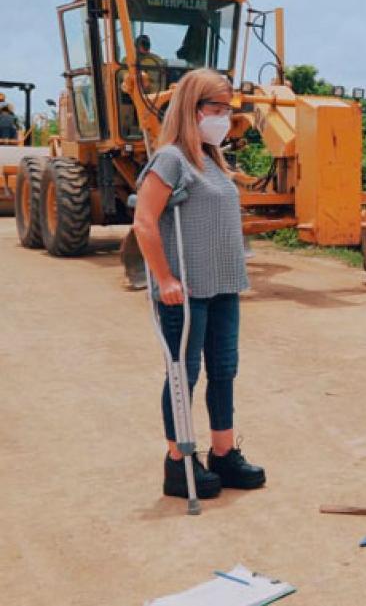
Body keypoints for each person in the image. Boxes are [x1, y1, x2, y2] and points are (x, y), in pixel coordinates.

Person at [133, 68, 266, 500]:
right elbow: (144, 221)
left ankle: (223, 454)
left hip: (224, 286)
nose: (224, 117)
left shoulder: (213, 159)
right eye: (216, 108)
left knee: (224, 371)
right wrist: (165, 278)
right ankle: (178, 461)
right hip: (186, 291)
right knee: (183, 374)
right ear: (192, 110)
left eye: (228, 109)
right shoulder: (171, 158)